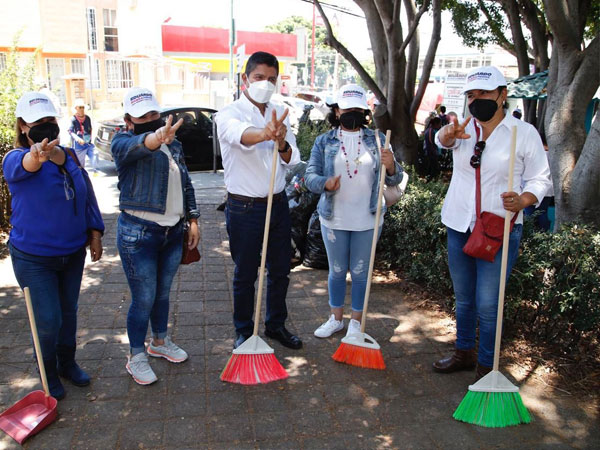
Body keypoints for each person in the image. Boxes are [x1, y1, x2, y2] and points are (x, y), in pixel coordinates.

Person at [432, 66, 552, 380]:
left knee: (488, 303)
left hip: (499, 228)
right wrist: (445, 135)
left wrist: (524, 199)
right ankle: (463, 351)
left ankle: (487, 365)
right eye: (471, 95)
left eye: (484, 93)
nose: (477, 100)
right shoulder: (462, 128)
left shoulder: (523, 133)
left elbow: (541, 178)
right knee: (464, 297)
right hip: (459, 223)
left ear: (502, 95)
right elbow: (443, 140)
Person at [4, 91, 104, 399]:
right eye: (38, 122)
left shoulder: (70, 156)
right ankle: (48, 373)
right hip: (34, 258)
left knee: (68, 313)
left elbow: (86, 194)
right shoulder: (15, 158)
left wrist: (95, 232)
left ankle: (67, 363)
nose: (46, 126)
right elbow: (26, 164)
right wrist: (36, 156)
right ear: (23, 126)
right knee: (48, 319)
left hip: (72, 253)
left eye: (50, 120)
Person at [111, 88, 200, 385]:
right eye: (142, 116)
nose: (150, 119)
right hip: (138, 234)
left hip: (172, 233)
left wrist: (193, 219)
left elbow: (186, 183)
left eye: (153, 114)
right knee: (144, 297)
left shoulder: (175, 145)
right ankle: (136, 355)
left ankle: (159, 342)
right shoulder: (121, 142)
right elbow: (139, 145)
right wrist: (156, 137)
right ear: (129, 120)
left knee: (162, 294)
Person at [216, 51, 302, 350]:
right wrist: (266, 133)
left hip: (278, 204)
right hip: (245, 207)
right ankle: (243, 330)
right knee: (245, 273)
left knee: (280, 270)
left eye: (271, 79)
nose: (265, 83)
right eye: (259, 77)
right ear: (245, 79)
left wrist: (281, 141)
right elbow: (242, 135)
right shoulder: (229, 113)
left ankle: (276, 324)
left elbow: (293, 159)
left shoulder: (280, 112)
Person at [305, 84, 404, 339]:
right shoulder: (323, 141)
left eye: (358, 110)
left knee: (360, 273)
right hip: (334, 218)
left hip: (368, 219)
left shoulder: (378, 139)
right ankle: (336, 319)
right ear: (337, 111)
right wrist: (325, 182)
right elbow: (309, 177)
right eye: (347, 109)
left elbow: (395, 180)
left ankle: (356, 324)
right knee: (337, 271)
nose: (352, 114)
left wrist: (392, 166)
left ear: (365, 112)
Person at [68, 98, 97, 172]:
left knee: (95, 155)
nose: (82, 109)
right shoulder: (73, 119)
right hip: (79, 146)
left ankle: (95, 171)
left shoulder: (87, 118)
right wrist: (77, 138)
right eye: (80, 107)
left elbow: (90, 129)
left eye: (83, 107)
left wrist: (89, 138)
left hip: (88, 143)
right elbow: (70, 131)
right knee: (80, 166)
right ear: (76, 108)